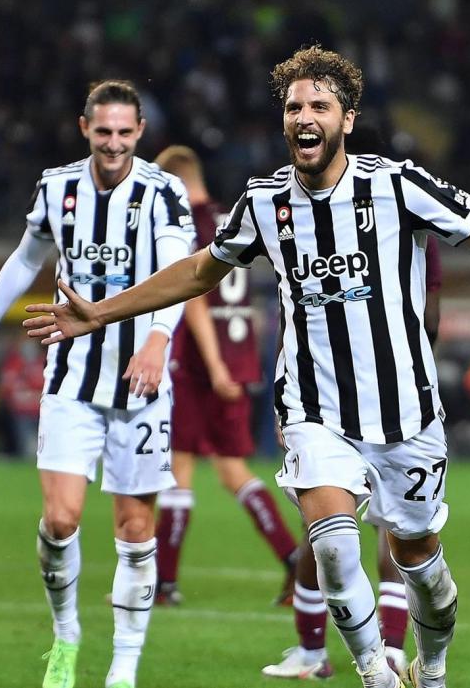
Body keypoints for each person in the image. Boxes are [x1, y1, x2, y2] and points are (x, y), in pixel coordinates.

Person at [23, 45, 470, 688]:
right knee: (333, 547)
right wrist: (101, 312)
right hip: (315, 408)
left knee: (423, 568)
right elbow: (198, 271)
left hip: (405, 411)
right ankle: (376, 675)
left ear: (348, 118)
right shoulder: (264, 203)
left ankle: (432, 668)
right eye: (293, 107)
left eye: (319, 106)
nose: (304, 117)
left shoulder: (398, 186)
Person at [0, 80, 195, 688]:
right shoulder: (57, 187)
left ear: (140, 132)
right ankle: (65, 637)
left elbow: (179, 272)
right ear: (85, 128)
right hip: (71, 378)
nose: (113, 143)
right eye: (103, 131)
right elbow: (25, 258)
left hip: (141, 384)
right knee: (60, 520)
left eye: (124, 132)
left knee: (135, 531)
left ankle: (123, 667)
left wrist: (157, 339)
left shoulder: (164, 192)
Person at [263, 236, 443, 683]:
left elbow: (430, 312)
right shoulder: (299, 223)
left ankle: (385, 651)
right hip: (326, 406)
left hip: (388, 404)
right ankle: (365, 657)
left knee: (396, 539)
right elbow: (294, 313)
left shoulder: (402, 217)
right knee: (334, 534)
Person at [148, 145, 300, 608]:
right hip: (239, 356)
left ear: (173, 182)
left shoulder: (184, 222)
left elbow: (192, 296)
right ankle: (294, 560)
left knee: (179, 468)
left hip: (200, 364)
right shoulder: (232, 215)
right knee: (233, 470)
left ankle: (164, 583)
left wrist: (213, 365)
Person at [0, 332, 47, 458]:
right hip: (21, 413)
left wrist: (30, 392)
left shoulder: (43, 360)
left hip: (43, 412)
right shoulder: (13, 362)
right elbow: (6, 387)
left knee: (46, 448)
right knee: (27, 448)